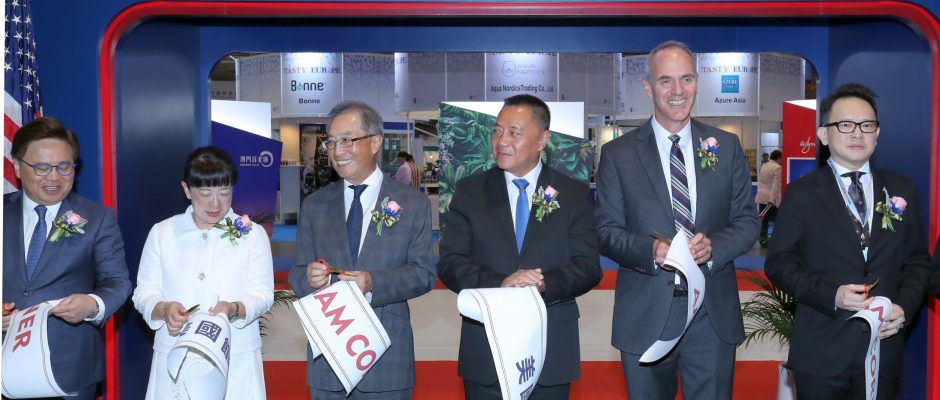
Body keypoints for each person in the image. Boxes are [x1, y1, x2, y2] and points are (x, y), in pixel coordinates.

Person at [595, 41, 759, 399]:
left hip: (712, 314)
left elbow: (748, 221)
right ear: (648, 86)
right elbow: (605, 231)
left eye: (686, 79)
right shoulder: (618, 154)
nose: (677, 91)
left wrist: (713, 247)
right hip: (646, 312)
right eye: (665, 81)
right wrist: (650, 249)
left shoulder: (726, 146)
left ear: (697, 83)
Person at [765, 83, 930, 399]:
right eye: (845, 125)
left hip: (883, 349)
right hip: (821, 351)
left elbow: (917, 262)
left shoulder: (902, 190)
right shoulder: (801, 194)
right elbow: (779, 263)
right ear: (824, 135)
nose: (857, 133)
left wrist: (904, 307)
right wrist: (832, 295)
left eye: (867, 125)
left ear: (877, 134)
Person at [438, 94, 602, 399]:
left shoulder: (572, 193)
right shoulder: (470, 192)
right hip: (486, 348)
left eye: (514, 132)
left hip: (551, 345)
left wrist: (543, 283)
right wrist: (502, 283)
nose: (501, 141)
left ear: (542, 140)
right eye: (497, 130)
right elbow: (450, 263)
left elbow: (588, 266)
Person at [288, 101, 435, 400]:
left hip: (387, 358)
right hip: (329, 357)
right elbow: (297, 273)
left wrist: (373, 282)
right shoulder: (315, 206)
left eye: (347, 140)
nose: (337, 151)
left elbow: (424, 274)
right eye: (331, 142)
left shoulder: (412, 203)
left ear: (375, 142)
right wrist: (310, 278)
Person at [2, 116, 132, 399]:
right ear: (18, 167)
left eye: (64, 167)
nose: (54, 177)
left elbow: (117, 281)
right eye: (41, 167)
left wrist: (92, 304)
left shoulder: (98, 218)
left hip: (70, 368)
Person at [132, 146, 274, 399]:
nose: (215, 203)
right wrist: (164, 309)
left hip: (234, 353)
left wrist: (234, 309)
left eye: (224, 192)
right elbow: (144, 293)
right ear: (186, 189)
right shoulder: (163, 233)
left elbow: (262, 294)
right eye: (205, 193)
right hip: (176, 353)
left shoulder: (253, 234)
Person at [755, 150, 783, 247]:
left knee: (764, 220)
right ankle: (776, 240)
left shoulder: (764, 166)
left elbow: (761, 181)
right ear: (779, 158)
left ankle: (763, 240)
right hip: (771, 200)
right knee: (777, 220)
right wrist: (772, 200)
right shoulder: (778, 168)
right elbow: (776, 185)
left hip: (762, 197)